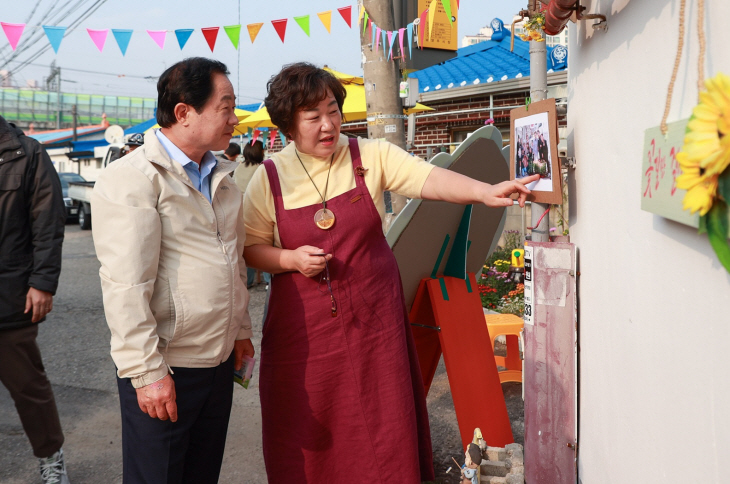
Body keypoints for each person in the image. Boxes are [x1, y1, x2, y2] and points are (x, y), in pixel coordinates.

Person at [242, 62, 537, 483]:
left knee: (383, 424)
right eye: (313, 117)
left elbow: (428, 179)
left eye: (332, 110)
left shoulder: (368, 155)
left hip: (374, 323)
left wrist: (484, 192)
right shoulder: (269, 178)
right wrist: (289, 260)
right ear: (289, 126)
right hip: (305, 334)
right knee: (311, 430)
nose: (328, 125)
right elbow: (251, 249)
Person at [91, 57, 254, 484]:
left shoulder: (223, 177)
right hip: (167, 367)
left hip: (217, 363)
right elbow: (127, 285)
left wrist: (239, 331)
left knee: (201, 474)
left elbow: (233, 261)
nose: (234, 119)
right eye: (226, 106)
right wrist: (146, 373)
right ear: (184, 112)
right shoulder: (133, 179)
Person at [0, 115, 70, 484]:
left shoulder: (26, 153)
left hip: (8, 297)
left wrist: (42, 282)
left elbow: (48, 221)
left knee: (29, 387)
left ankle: (51, 456)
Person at [234, 140, 267, 288]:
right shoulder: (261, 169)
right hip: (258, 211)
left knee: (244, 246)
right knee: (264, 244)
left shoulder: (239, 167)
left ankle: (247, 280)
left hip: (239, 211)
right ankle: (268, 279)